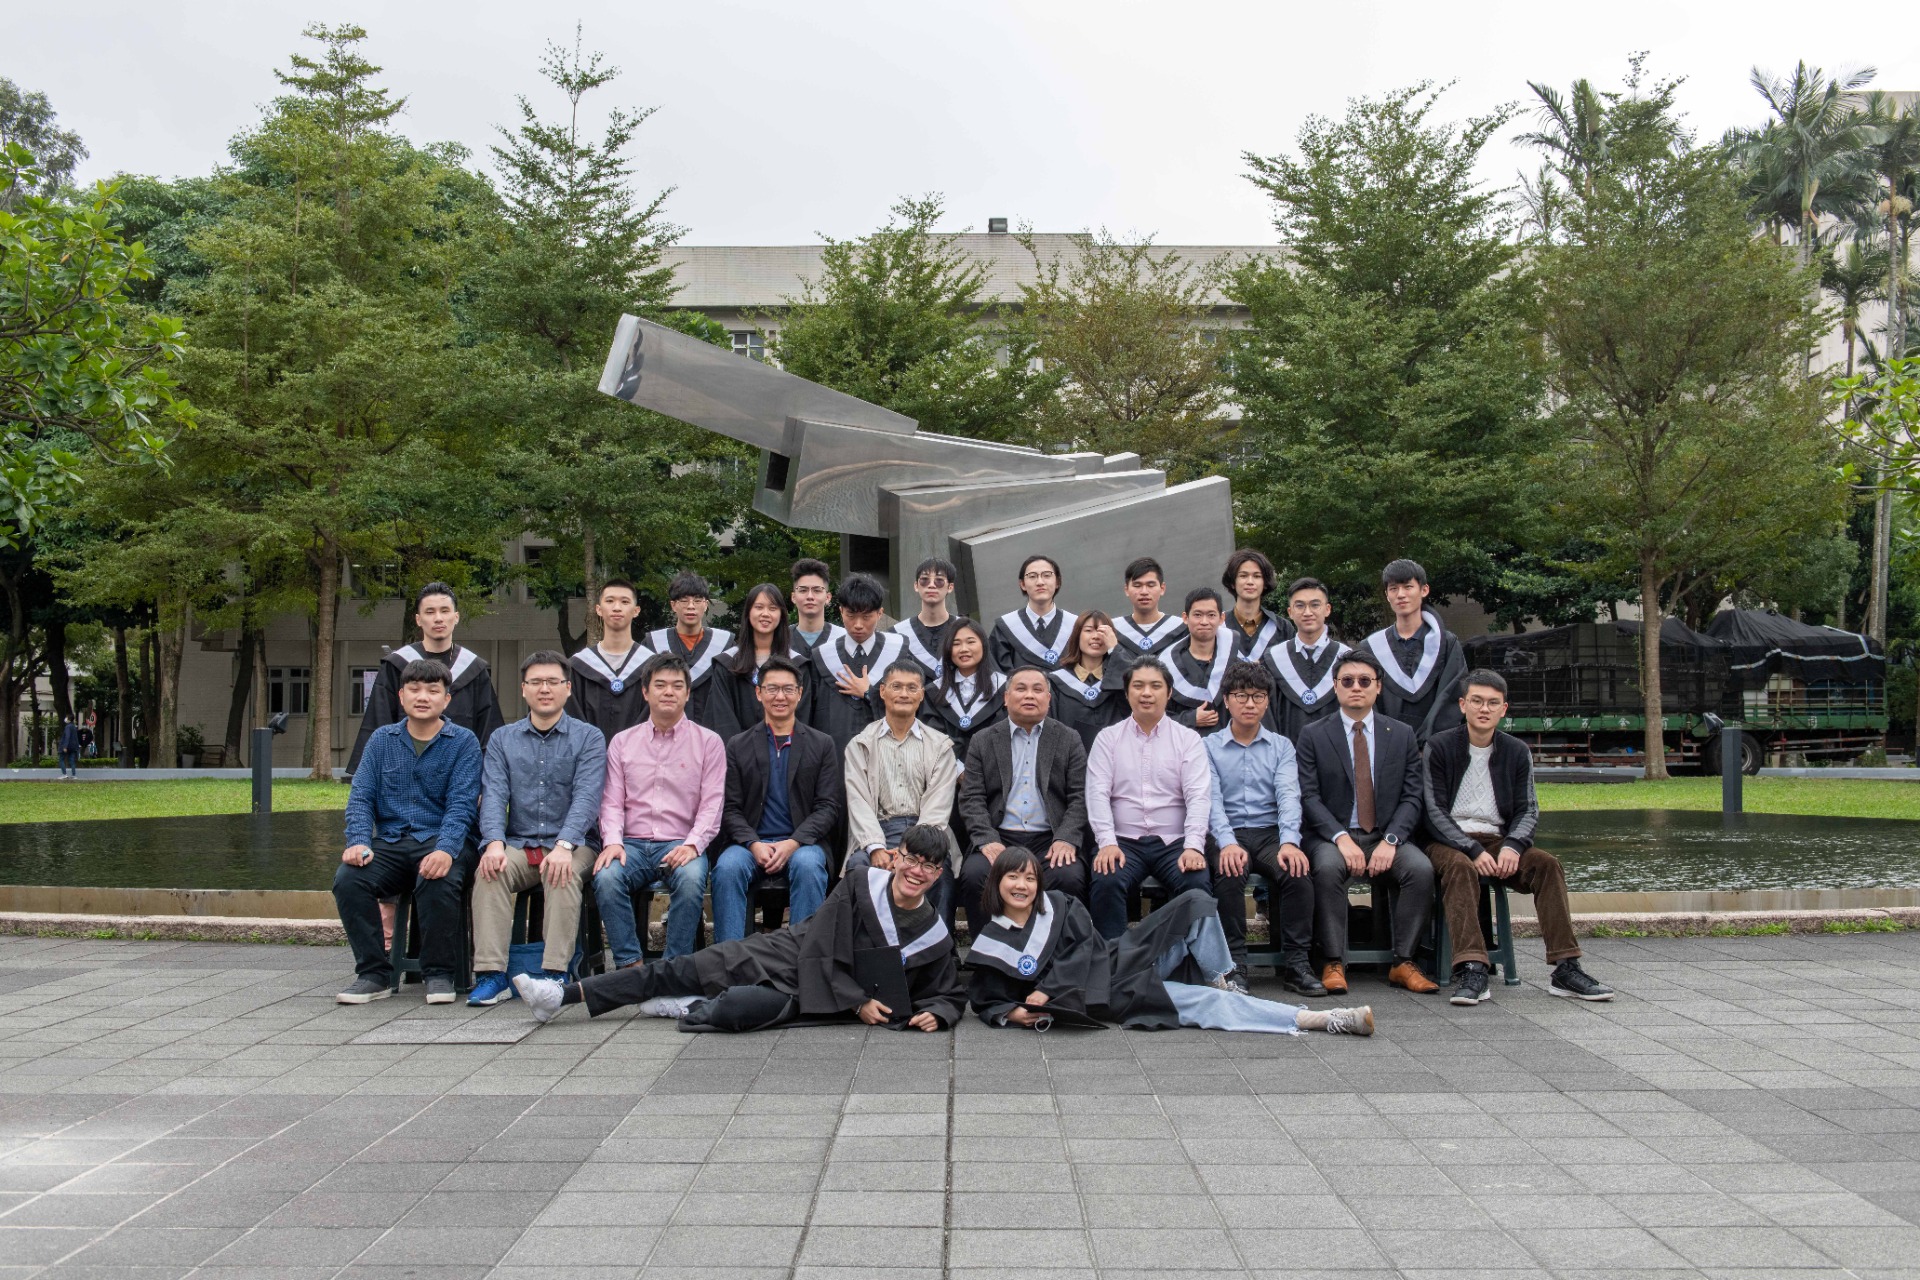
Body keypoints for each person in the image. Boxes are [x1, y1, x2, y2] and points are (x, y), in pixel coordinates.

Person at [516, 824, 967, 1033]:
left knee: (737, 1009)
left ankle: (690, 1004)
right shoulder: (861, 884)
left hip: (813, 997)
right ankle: (562, 996)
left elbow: (946, 991)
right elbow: (821, 942)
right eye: (912, 859)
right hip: (791, 955)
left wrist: (938, 1014)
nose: (917, 871)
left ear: (940, 873)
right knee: (682, 967)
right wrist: (858, 1000)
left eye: (930, 866)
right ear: (896, 857)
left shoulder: (933, 932)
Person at [965, 848, 1374, 1035]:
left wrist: (1048, 988)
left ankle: (1223, 978)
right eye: (1012, 877)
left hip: (1119, 957)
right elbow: (985, 998)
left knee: (1195, 901)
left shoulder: (1059, 904)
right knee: (1210, 1006)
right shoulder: (992, 941)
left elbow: (1085, 947)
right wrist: (1013, 1014)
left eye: (1029, 877)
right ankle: (1322, 1019)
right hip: (1112, 994)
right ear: (996, 883)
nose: (1022, 885)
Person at [1423, 670, 1615, 1005]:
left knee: (1547, 865)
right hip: (1448, 840)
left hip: (1498, 839)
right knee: (1460, 867)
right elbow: (1432, 811)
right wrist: (1471, 849)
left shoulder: (1516, 751)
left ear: (1504, 709)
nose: (1484, 709)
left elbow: (1528, 808)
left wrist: (1513, 845)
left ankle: (1565, 967)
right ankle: (1473, 968)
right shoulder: (1439, 746)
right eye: (1477, 701)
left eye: (1492, 703)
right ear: (1463, 705)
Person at [332, 659, 482, 1004]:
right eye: (414, 689)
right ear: (401, 696)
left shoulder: (463, 742)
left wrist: (445, 849)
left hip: (444, 839)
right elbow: (361, 797)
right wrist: (358, 841)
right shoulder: (381, 741)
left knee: (438, 876)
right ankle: (373, 973)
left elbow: (462, 805)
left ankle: (439, 973)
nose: (423, 697)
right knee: (349, 879)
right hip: (392, 841)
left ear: (446, 699)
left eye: (433, 690)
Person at [468, 652, 607, 1006]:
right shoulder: (502, 739)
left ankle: (554, 977)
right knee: (490, 872)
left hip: (576, 844)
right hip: (520, 842)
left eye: (552, 682)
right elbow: (494, 795)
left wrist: (564, 845)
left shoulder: (589, 737)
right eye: (536, 682)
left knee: (561, 873)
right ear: (524, 689)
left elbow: (587, 798)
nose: (544, 689)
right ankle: (491, 975)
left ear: (567, 688)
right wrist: (494, 842)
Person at [1297, 650, 1438, 995]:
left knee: (1420, 869)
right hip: (1333, 838)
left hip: (1384, 836)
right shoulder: (1313, 734)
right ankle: (1333, 961)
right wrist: (1340, 837)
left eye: (1364, 681)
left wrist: (1392, 840)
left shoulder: (1401, 734)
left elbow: (1412, 796)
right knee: (1326, 869)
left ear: (1378, 687)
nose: (1356, 687)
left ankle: (1403, 961)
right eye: (1347, 681)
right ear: (1335, 687)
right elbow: (1309, 797)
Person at [591, 655, 726, 967]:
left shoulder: (709, 743)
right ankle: (631, 967)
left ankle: (671, 969)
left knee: (691, 880)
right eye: (660, 685)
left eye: (677, 686)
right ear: (645, 692)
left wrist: (693, 844)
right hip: (631, 845)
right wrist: (612, 841)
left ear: (688, 693)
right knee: (607, 877)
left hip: (681, 842)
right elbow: (611, 801)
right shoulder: (623, 742)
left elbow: (712, 803)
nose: (668, 692)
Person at [1204, 661, 1321, 996]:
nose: (1249, 703)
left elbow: (1288, 795)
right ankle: (1235, 966)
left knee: (1297, 872)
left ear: (1267, 701)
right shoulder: (1208, 746)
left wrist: (1290, 841)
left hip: (1271, 833)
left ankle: (1297, 964)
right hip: (1227, 833)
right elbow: (1211, 801)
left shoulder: (1282, 746)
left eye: (1257, 696)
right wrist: (1227, 842)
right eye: (1241, 696)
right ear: (1227, 700)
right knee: (1228, 873)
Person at [711, 657, 839, 942]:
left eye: (788, 689)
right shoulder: (738, 745)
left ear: (799, 693)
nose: (780, 696)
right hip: (749, 845)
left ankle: (800, 957)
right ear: (759, 693)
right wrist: (753, 843)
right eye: (772, 689)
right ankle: (729, 959)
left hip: (802, 844)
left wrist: (793, 842)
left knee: (808, 866)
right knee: (727, 868)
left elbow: (828, 807)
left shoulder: (821, 744)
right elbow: (729, 808)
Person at [1086, 657, 1213, 940]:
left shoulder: (1188, 739)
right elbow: (1097, 793)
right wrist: (1107, 842)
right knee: (1106, 880)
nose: (1146, 693)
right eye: (1138, 686)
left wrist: (1193, 846)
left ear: (1169, 693)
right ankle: (1114, 959)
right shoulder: (1107, 739)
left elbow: (1198, 796)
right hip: (1123, 841)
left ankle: (1189, 960)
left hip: (1174, 842)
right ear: (1127, 692)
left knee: (1196, 883)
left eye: (1155, 686)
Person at [956, 665, 1089, 928]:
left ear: (1048, 699)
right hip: (1000, 835)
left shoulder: (1068, 738)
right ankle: (987, 949)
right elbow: (971, 798)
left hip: (1050, 839)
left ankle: (1057, 949)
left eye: (1037, 690)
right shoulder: (983, 740)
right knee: (975, 875)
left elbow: (1080, 796)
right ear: (1006, 698)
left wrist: (1066, 838)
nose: (1029, 695)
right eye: (1021, 689)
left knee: (1069, 876)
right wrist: (987, 840)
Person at [347, 582, 504, 774]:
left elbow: (488, 729)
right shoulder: (396, 665)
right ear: (418, 619)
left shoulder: (474, 669)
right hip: (404, 773)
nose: (438, 618)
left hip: (460, 774)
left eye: (445, 611)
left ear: (456, 617)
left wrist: (487, 778)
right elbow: (379, 722)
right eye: (430, 612)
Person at [842, 662, 962, 888]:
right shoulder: (860, 745)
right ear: (882, 691)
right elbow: (858, 802)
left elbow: (938, 807)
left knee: (939, 872)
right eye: (896, 686)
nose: (904, 694)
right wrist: (876, 848)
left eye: (912, 688)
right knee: (859, 867)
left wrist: (912, 852)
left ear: (921, 695)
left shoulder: (940, 746)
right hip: (878, 831)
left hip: (927, 835)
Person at [1365, 558, 1467, 746]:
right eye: (1393, 588)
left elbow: (1451, 696)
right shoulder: (1371, 648)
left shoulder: (1446, 644)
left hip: (1435, 749)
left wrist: (1430, 743)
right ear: (1387, 595)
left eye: (1408, 587)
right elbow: (1366, 701)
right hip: (1386, 747)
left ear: (1424, 590)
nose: (1400, 594)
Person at [806, 573, 901, 751]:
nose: (858, 624)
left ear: (880, 613)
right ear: (841, 611)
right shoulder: (822, 657)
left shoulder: (898, 653)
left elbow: (909, 707)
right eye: (851, 615)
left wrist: (869, 693)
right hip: (834, 755)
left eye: (866, 617)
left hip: (886, 753)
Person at [566, 578, 656, 743]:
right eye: (610, 601)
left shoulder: (652, 667)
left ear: (636, 611)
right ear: (598, 609)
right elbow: (572, 719)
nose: (617, 607)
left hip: (641, 755)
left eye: (624, 602)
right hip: (589, 756)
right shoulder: (578, 666)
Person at [646, 572, 736, 737]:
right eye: (684, 600)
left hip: (711, 735)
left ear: (706, 604)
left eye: (697, 600)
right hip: (664, 735)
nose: (691, 606)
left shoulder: (725, 645)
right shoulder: (653, 644)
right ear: (673, 605)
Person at [1262, 577, 1351, 742]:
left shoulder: (1347, 659)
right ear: (1290, 612)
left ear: (1327, 609)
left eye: (1315, 605)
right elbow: (1267, 715)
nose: (1307, 612)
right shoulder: (1272, 659)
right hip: (1286, 753)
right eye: (1300, 606)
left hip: (1336, 752)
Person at [717, 583, 812, 732]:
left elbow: (802, 720)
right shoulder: (727, 664)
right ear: (748, 613)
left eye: (773, 608)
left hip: (787, 745)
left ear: (781, 615)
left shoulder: (798, 665)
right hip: (737, 746)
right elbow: (723, 721)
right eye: (759, 607)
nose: (765, 613)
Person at [920, 618, 1005, 761]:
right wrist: (958, 769)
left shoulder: (1004, 689)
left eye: (971, 642)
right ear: (948, 649)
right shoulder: (933, 692)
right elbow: (932, 736)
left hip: (993, 768)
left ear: (983, 645)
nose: (964, 649)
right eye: (956, 643)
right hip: (946, 769)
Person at [1046, 610, 1132, 751]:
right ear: (1077, 636)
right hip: (1070, 758)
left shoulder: (1118, 679)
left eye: (1102, 631)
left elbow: (1133, 700)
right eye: (1088, 630)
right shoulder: (1056, 682)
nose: (1096, 636)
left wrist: (1115, 649)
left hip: (1116, 756)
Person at [990, 554, 1077, 673]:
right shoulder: (1005, 628)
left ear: (1057, 582)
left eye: (1047, 575)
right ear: (1022, 584)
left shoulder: (1075, 626)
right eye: (1032, 576)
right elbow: (999, 675)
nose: (1040, 582)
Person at [1166, 588, 1234, 737]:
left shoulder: (1235, 664)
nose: (1204, 622)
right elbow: (1155, 718)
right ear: (1185, 618)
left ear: (1222, 618)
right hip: (1182, 747)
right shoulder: (1167, 667)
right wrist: (1189, 719)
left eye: (1211, 615)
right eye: (1197, 615)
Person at [893, 557, 963, 680]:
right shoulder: (897, 635)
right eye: (924, 580)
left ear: (950, 587)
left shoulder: (965, 630)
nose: (931, 585)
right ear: (916, 586)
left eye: (939, 580)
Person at [1221, 548, 1292, 664]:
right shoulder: (1217, 626)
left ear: (1265, 583)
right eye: (1243, 576)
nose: (1250, 582)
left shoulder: (1282, 629)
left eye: (1257, 576)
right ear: (1233, 583)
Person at [1113, 557, 1187, 659]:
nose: (1144, 592)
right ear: (1126, 589)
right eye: (1137, 585)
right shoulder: (1113, 630)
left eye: (1151, 585)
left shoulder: (1183, 629)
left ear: (1162, 588)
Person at [788, 558, 844, 658]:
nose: (810, 596)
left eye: (817, 590)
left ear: (828, 597)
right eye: (803, 590)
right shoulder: (780, 639)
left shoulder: (843, 638)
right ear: (793, 597)